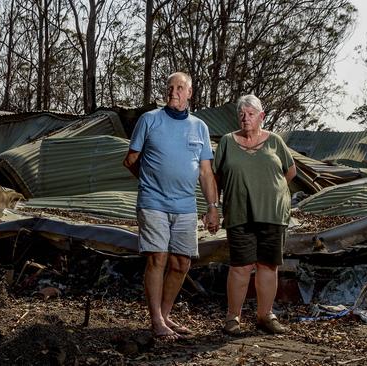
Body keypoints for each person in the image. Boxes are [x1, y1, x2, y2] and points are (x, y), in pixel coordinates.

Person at [123, 72, 220, 340]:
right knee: (158, 257)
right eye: (170, 87)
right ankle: (156, 320)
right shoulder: (150, 120)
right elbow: (131, 159)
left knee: (181, 263)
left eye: (179, 87)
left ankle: (165, 315)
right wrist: (149, 180)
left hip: (186, 206)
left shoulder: (199, 126)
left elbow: (206, 172)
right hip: (153, 201)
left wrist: (213, 207)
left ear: (189, 93)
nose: (173, 92)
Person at [213, 94, 296, 335]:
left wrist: (270, 191)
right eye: (242, 114)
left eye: (251, 114)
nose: (245, 118)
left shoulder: (275, 141)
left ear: (261, 117)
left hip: (272, 212)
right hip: (239, 211)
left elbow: (290, 172)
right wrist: (214, 208)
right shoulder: (228, 142)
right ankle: (233, 318)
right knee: (240, 265)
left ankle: (264, 315)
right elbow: (216, 178)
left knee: (268, 265)